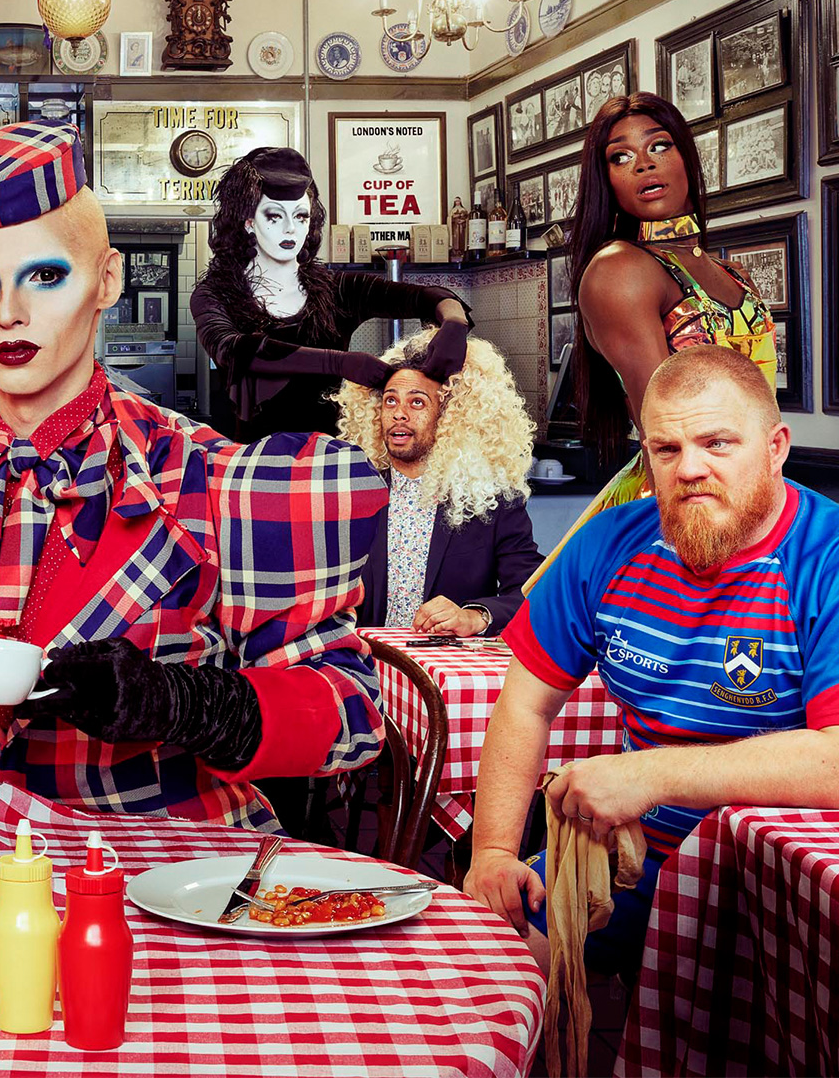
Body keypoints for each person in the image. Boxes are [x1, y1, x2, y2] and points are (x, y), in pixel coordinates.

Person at [0, 0, 388, 830]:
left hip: (175, 878)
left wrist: (190, 704)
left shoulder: (212, 480)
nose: (8, 312)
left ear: (107, 282)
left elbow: (353, 716)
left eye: (45, 276)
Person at [463, 347, 839, 972]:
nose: (689, 468)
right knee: (487, 962)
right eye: (666, 449)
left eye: (717, 443)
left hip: (776, 882)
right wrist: (495, 853)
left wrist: (650, 776)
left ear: (775, 448)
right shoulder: (607, 543)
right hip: (630, 862)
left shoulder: (826, 558)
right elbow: (526, 704)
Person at [541, 91, 777, 583]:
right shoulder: (619, 271)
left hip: (757, 492)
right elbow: (664, 430)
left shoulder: (732, 273)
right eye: (620, 157)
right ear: (607, 180)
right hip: (679, 505)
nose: (644, 165)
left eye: (659, 146)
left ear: (686, 156)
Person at [190, 146, 472, 440]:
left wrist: (454, 322)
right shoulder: (215, 295)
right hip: (256, 459)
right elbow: (235, 350)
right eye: (274, 216)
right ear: (249, 222)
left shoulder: (337, 289)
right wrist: (339, 363)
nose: (290, 229)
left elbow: (427, 297)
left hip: (332, 458)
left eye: (301, 216)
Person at [336, 329, 543, 634]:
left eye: (417, 403)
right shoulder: (349, 490)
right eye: (390, 401)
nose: (399, 414)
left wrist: (476, 616)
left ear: (449, 416)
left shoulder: (493, 500)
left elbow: (533, 592)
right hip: (364, 655)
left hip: (445, 659)